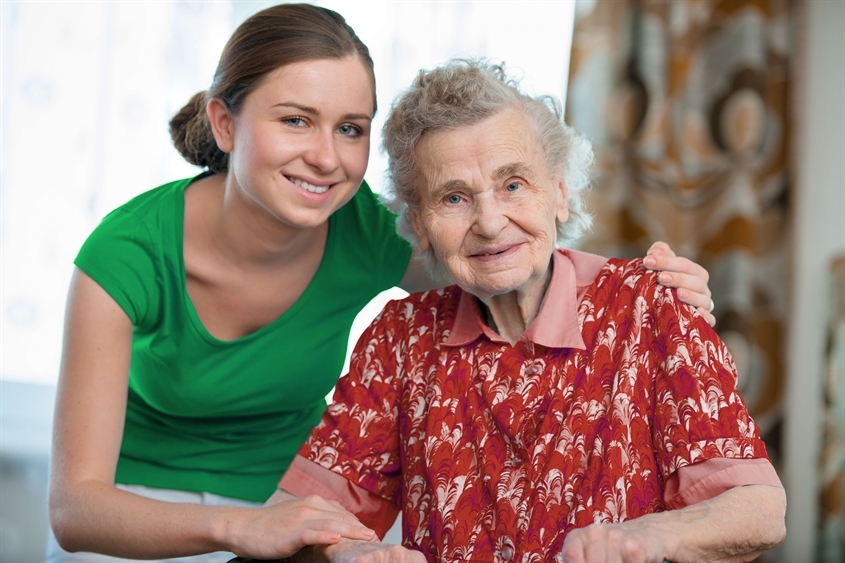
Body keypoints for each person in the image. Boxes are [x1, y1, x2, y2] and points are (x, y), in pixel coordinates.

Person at [48, 5, 715, 562]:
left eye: (350, 129)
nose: (327, 157)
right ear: (225, 123)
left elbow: (504, 258)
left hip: (297, 521)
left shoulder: (365, 231)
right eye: (294, 120)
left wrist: (651, 291)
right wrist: (237, 524)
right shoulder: (127, 253)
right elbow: (75, 508)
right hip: (140, 519)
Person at [274, 60, 787, 563]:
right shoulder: (400, 336)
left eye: (513, 184)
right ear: (420, 224)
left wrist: (647, 540)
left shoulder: (649, 304)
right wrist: (353, 554)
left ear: (559, 192)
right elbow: (297, 514)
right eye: (454, 198)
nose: (491, 224)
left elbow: (757, 509)